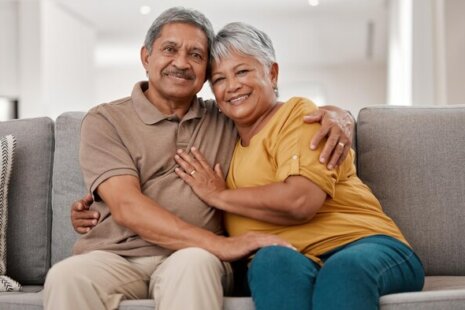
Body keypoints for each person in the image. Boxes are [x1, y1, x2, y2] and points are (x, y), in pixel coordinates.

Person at [47, 7, 354, 310]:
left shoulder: (226, 116)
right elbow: (127, 207)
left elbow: (279, 113)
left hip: (195, 254)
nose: (181, 63)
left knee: (193, 266)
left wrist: (340, 116)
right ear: (146, 57)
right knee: (66, 277)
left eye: (195, 55)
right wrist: (224, 245)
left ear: (205, 71)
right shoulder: (105, 120)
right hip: (117, 255)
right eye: (170, 49)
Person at [172, 22, 425, 310]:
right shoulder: (225, 138)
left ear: (272, 73)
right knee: (269, 261)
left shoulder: (298, 116)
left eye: (242, 71)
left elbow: (300, 201)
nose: (232, 86)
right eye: (219, 79)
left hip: (363, 245)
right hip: (290, 256)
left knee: (342, 271)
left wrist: (219, 196)